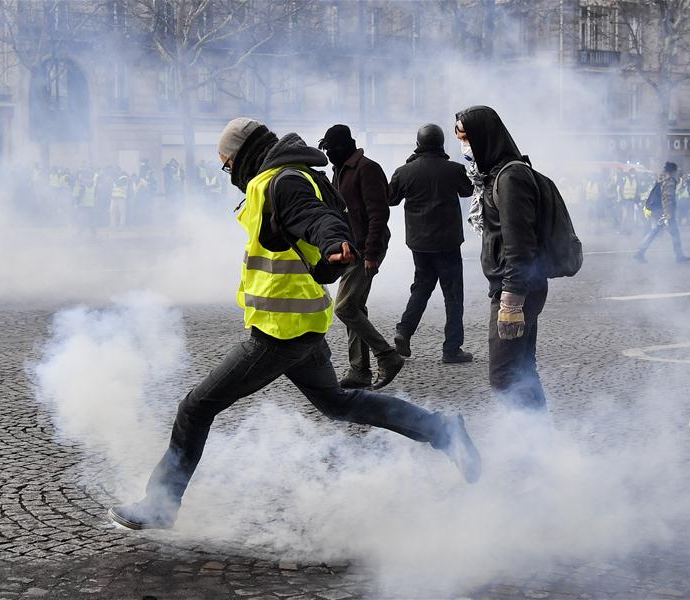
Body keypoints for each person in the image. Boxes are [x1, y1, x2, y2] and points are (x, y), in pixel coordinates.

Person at [107, 117, 482, 531]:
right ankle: (444, 431)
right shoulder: (296, 175)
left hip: (278, 332)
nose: (228, 172)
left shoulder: (281, 181)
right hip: (303, 323)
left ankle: (160, 505)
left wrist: (333, 242)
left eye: (227, 163)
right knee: (340, 404)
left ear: (243, 154)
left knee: (195, 408)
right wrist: (330, 248)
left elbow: (315, 217)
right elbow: (311, 220)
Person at [454, 105, 548, 413]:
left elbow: (520, 244)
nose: (463, 145)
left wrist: (511, 301)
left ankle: (531, 444)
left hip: (517, 288)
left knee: (504, 375)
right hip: (516, 284)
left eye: (466, 137)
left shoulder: (509, 178)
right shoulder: (495, 176)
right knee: (521, 370)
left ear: (484, 137)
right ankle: (539, 447)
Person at [318, 124, 403, 389]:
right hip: (349, 248)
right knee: (355, 307)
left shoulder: (367, 169)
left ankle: (387, 356)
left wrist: (371, 253)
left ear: (345, 146)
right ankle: (359, 371)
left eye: (332, 149)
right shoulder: (339, 170)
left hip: (364, 249)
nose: (329, 153)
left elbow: (378, 214)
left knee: (344, 307)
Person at [388, 124, 474, 363]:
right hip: (448, 243)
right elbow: (468, 191)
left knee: (422, 287)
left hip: (419, 243)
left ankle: (404, 331)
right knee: (453, 296)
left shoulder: (404, 171)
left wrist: (408, 165)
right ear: (441, 143)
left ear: (418, 144)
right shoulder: (454, 170)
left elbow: (390, 198)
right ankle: (451, 348)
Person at [634, 162, 690, 264]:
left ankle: (640, 252)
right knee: (673, 233)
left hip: (657, 210)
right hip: (663, 211)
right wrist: (668, 214)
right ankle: (679, 256)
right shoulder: (669, 181)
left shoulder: (662, 179)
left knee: (655, 231)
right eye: (677, 170)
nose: (679, 172)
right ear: (673, 171)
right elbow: (667, 198)